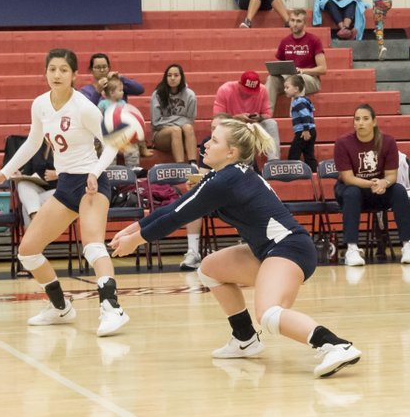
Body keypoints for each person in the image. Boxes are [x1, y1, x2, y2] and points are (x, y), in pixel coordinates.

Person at [109, 119, 362, 377]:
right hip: (268, 251)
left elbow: (176, 219)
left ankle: (335, 345)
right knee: (209, 269)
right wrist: (131, 230)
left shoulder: (225, 181)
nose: (205, 144)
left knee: (269, 314)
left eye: (214, 140)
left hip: (290, 249)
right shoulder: (223, 176)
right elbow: (172, 209)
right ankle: (245, 339)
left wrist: (137, 240)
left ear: (231, 152)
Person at [0, 48, 130, 336]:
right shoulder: (39, 105)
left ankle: (112, 309)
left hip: (91, 183)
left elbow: (113, 143)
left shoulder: (84, 107)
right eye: (52, 69)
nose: (57, 75)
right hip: (65, 186)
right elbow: (32, 142)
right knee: (27, 252)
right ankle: (60, 307)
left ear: (75, 75)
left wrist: (95, 172)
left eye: (64, 69)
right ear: (45, 73)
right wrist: (4, 172)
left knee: (92, 245)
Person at [334, 104, 410, 267]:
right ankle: (351, 248)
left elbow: (392, 175)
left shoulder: (388, 141)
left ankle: (407, 245)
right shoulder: (343, 143)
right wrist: (372, 183)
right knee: (352, 192)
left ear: (374, 122)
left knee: (399, 191)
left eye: (365, 119)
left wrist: (384, 183)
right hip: (352, 188)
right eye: (357, 119)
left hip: (379, 189)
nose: (360, 123)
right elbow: (348, 178)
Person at [181, 113, 233, 271]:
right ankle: (193, 252)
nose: (214, 131)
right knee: (194, 199)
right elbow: (203, 173)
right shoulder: (207, 144)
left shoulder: (239, 144)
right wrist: (196, 180)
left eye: (218, 128)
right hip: (217, 192)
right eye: (212, 128)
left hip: (236, 195)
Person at [80, 52, 152, 158]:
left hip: (122, 127)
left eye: (104, 67)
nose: (102, 70)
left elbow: (140, 89)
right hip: (101, 130)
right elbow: (87, 112)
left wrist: (121, 78)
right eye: (98, 67)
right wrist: (97, 91)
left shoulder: (118, 86)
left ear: (109, 68)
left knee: (134, 122)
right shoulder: (86, 90)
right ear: (91, 70)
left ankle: (136, 163)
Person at [267, 8, 327, 114]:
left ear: (305, 24)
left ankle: (295, 117)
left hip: (310, 79)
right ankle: (266, 115)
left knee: (296, 79)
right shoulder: (285, 41)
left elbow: (323, 69)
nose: (294, 24)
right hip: (289, 78)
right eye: (292, 20)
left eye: (298, 21)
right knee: (271, 78)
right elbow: (280, 65)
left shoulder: (314, 40)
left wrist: (303, 71)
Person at [213, 71, 280, 161]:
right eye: (246, 90)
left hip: (254, 126)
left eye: (252, 91)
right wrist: (236, 117)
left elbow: (267, 114)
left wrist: (259, 117)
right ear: (239, 84)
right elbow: (218, 117)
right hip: (233, 125)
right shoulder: (225, 90)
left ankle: (274, 161)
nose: (249, 94)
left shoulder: (263, 90)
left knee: (271, 123)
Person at [151, 64, 198, 164]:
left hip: (183, 133)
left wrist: (171, 120)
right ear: (165, 77)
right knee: (176, 130)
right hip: (161, 135)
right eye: (169, 75)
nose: (172, 78)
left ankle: (193, 164)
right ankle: (180, 166)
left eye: (176, 75)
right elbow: (156, 122)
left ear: (181, 77)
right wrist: (179, 120)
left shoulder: (190, 95)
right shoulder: (158, 94)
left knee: (188, 127)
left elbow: (190, 120)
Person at [12, 139, 57, 229]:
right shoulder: (36, 145)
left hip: (58, 191)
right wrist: (20, 175)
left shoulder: (63, 144)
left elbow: (77, 170)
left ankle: (33, 234)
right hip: (38, 190)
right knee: (23, 184)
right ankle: (35, 218)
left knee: (27, 205)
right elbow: (28, 172)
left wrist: (58, 174)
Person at [98, 75, 140, 168]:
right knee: (108, 150)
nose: (123, 92)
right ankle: (110, 169)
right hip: (108, 133)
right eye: (120, 90)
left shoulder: (123, 103)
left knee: (131, 147)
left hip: (122, 132)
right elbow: (99, 118)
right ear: (112, 93)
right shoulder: (103, 104)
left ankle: (133, 168)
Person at [284, 74, 318, 172]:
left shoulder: (298, 102)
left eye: (287, 87)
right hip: (310, 130)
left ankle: (292, 173)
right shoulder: (304, 100)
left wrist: (306, 130)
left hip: (303, 132)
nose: (285, 89)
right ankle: (315, 172)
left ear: (296, 89)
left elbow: (306, 115)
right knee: (309, 154)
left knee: (294, 153)